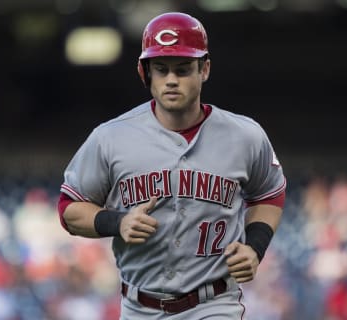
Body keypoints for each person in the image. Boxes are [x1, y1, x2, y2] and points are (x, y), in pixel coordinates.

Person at [57, 12, 287, 319]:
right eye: (161, 69)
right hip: (140, 307)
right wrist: (118, 222)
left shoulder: (244, 136)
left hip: (214, 303)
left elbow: (269, 194)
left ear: (204, 69)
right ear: (144, 72)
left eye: (183, 69)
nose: (172, 80)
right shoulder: (110, 138)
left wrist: (255, 247)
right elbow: (69, 209)